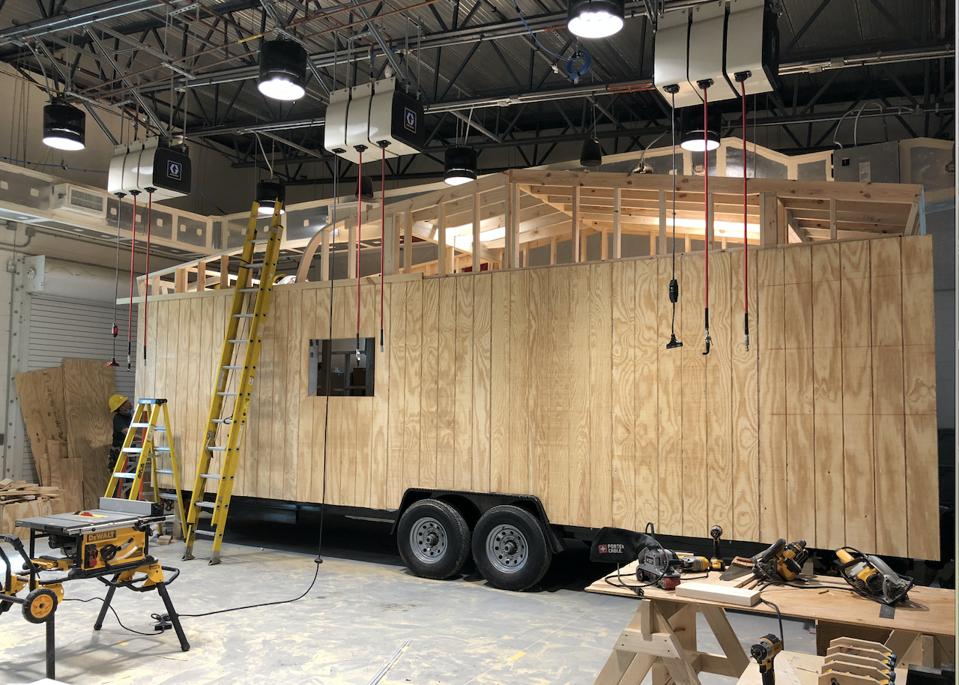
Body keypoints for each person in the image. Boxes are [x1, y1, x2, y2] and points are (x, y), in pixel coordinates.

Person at [108, 394, 133, 473]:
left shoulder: (129, 416)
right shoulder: (118, 418)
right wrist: (144, 438)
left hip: (128, 449)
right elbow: (128, 433)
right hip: (119, 451)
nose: (129, 402)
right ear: (121, 407)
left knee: (130, 474)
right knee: (119, 475)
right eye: (126, 402)